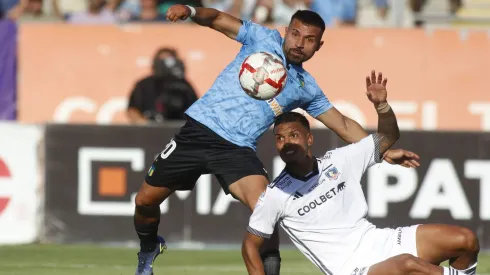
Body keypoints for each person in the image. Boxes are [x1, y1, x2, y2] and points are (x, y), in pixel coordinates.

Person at [133, 3, 420, 275]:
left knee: (265, 217)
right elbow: (219, 19)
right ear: (286, 31)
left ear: (318, 46)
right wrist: (191, 10)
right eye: (295, 34)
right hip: (196, 133)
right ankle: (148, 248)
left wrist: (383, 151)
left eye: (309, 39)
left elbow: (342, 124)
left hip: (237, 150)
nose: (299, 43)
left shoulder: (305, 87)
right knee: (145, 201)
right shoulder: (261, 38)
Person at [242, 74, 479, 275]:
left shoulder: (340, 160)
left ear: (309, 139)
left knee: (465, 240)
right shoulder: (276, 194)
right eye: (280, 138)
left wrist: (382, 107)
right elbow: (250, 246)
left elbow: (387, 138)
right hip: (353, 269)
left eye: (293, 135)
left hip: (380, 242)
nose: (286, 142)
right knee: (409, 265)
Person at [127, 47, 197, 124]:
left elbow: (196, 110)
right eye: (162, 60)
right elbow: (132, 110)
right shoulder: (144, 84)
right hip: (150, 131)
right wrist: (144, 124)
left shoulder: (184, 85)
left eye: (168, 60)